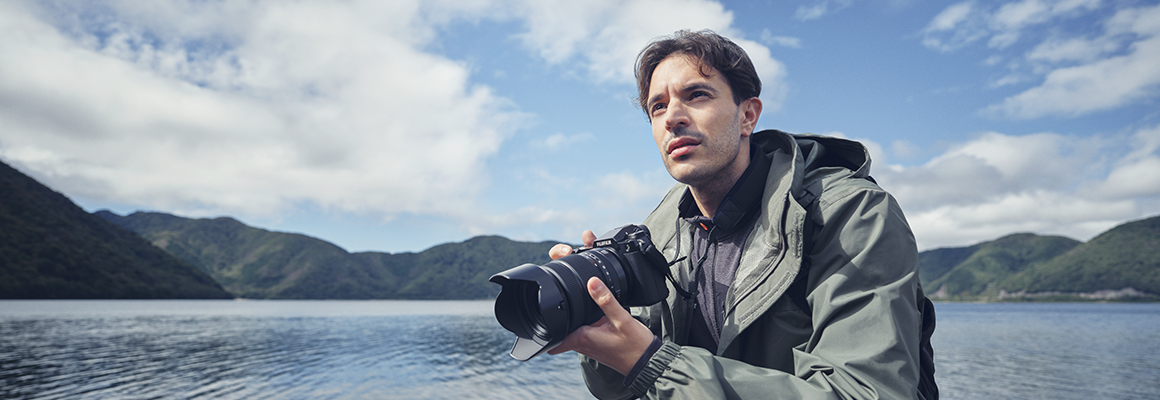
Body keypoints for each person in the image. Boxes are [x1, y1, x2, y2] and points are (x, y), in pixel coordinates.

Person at [545, 29, 929, 399]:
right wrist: (599, 325)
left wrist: (652, 363)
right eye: (657, 106)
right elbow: (618, 390)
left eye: (696, 95)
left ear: (748, 115)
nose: (672, 117)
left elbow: (865, 391)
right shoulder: (658, 233)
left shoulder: (848, 214)